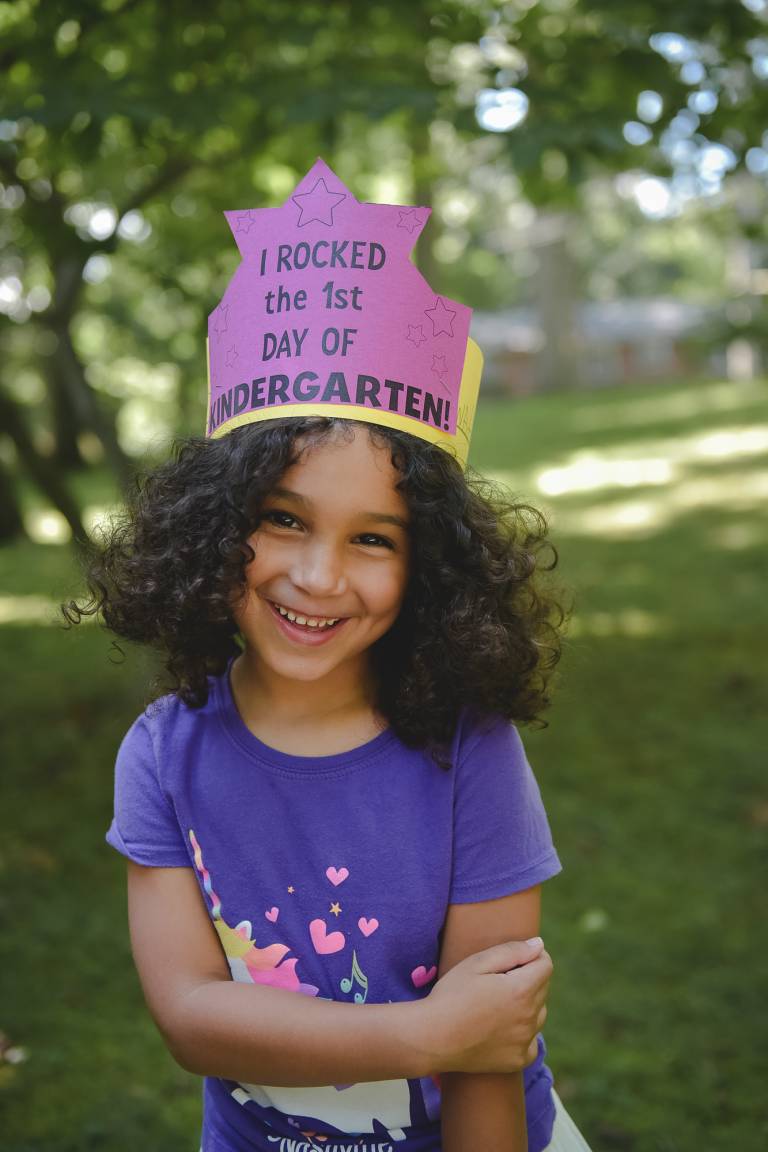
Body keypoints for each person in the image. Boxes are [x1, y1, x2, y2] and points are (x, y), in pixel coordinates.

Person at [64, 160, 592, 1152]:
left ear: (428, 563)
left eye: (374, 538)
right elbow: (190, 1015)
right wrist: (430, 1032)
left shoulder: (468, 749)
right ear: (216, 525)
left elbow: (496, 1050)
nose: (316, 576)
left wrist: (465, 1039)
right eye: (282, 520)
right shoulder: (164, 754)